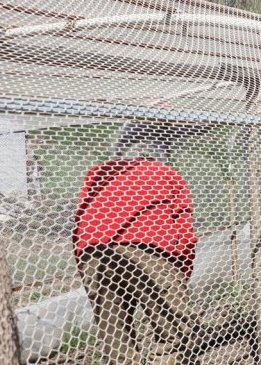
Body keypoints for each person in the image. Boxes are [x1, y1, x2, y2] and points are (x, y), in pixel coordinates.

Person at [74, 124, 199, 365]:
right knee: (173, 324)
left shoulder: (99, 173)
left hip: (95, 252)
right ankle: (166, 360)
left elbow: (80, 219)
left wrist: (83, 262)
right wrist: (182, 271)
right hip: (149, 251)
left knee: (114, 333)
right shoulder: (166, 173)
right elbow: (185, 230)